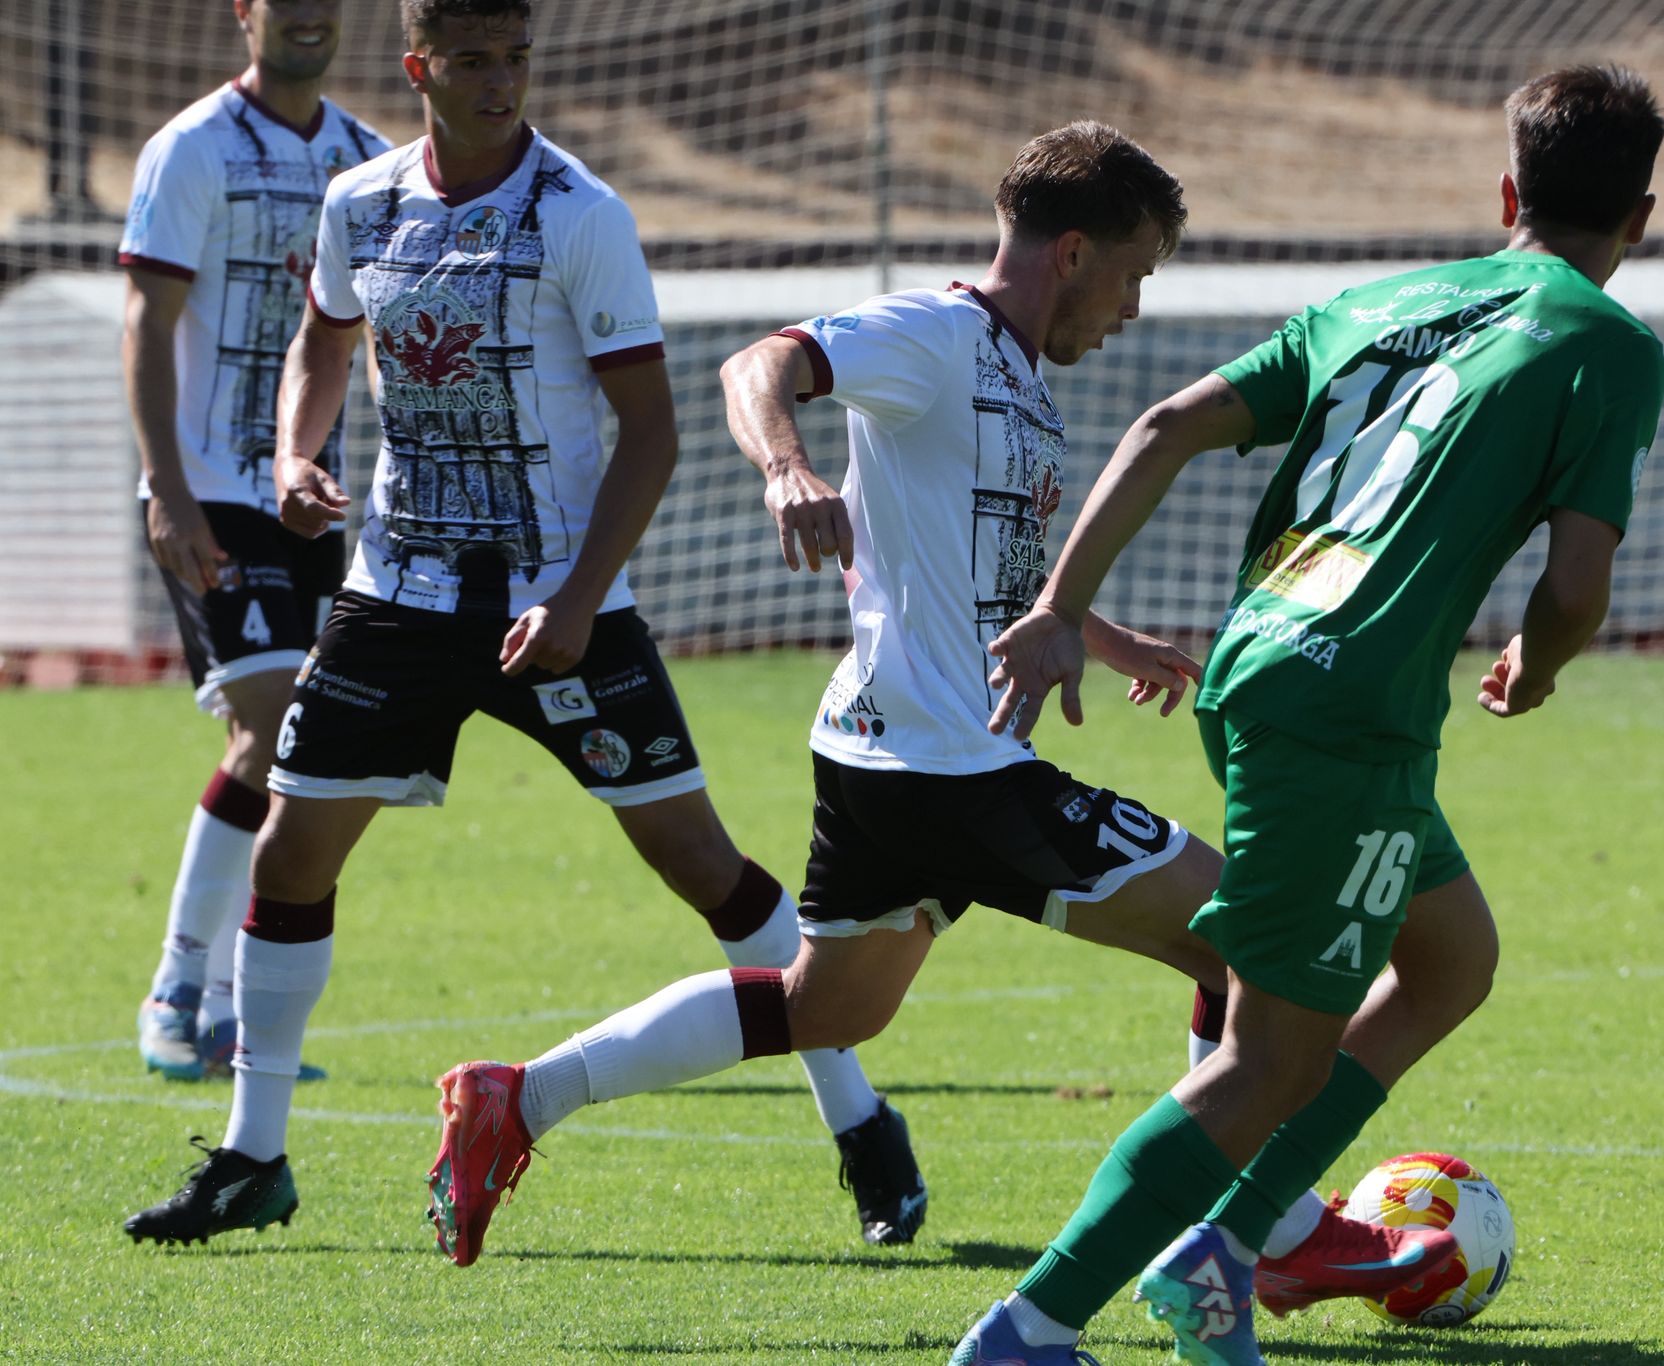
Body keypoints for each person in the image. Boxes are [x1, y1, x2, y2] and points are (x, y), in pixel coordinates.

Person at [416, 121, 1448, 1285]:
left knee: (826, 1008)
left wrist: (1094, 635)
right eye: (1132, 273)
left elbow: (973, 570)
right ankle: (1271, 1232)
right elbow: (756, 363)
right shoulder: (939, 335)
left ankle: (518, 1097)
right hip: (952, 769)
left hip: (892, 760)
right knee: (1247, 945)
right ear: (1070, 251)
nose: (1132, 307)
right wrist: (786, 468)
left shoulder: (1014, 379)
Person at [122, 0, 917, 1254]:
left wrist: (577, 597)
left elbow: (648, 433)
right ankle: (251, 1155)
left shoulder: (581, 214)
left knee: (700, 867)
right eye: (474, 62)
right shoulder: (360, 201)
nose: (501, 83)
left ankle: (860, 1118)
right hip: (396, 598)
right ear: (420, 68)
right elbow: (321, 339)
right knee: (289, 860)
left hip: (564, 600)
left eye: (517, 59)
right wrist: (292, 452)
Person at [953, 64, 1664, 1364]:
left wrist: (1065, 603)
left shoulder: (1379, 301)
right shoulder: (1602, 343)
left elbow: (1167, 422)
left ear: (1509, 192)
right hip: (1347, 711)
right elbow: (1575, 582)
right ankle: (1032, 1326)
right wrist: (1542, 660)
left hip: (1265, 670)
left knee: (1450, 959)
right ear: (1644, 219)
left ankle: (1220, 1252)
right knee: (1267, 1058)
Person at [121, 0, 386, 1083]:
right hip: (214, 492)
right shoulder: (190, 149)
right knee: (274, 717)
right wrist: (170, 494)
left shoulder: (368, 162)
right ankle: (181, 986)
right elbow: (147, 322)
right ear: (246, 12)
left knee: (300, 752)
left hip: (306, 495)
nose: (313, 14)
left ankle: (221, 1005)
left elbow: (373, 331)